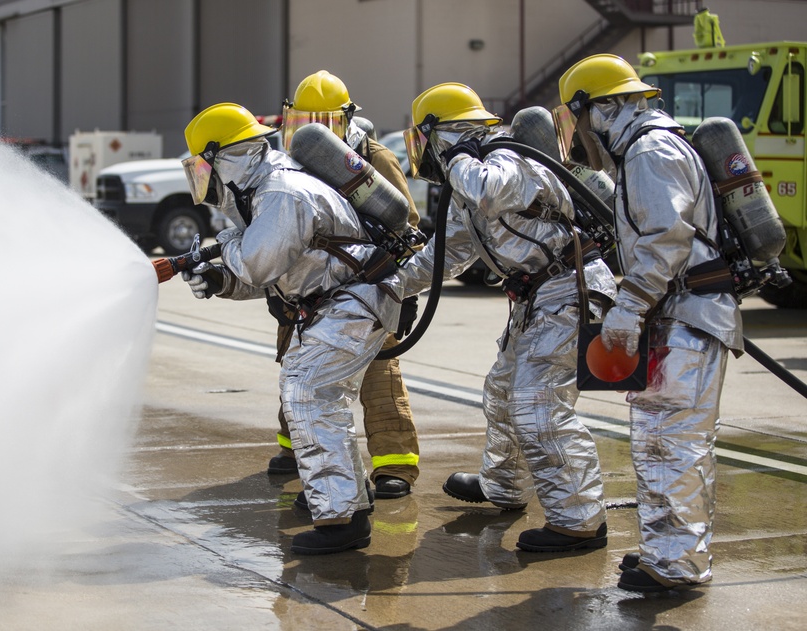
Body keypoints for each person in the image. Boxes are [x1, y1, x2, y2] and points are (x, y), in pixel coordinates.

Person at [398, 82, 618, 553]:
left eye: (425, 141)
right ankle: (503, 485)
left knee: (537, 404)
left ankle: (580, 521)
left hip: (571, 290)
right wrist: (381, 286)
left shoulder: (506, 161)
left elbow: (488, 191)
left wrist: (456, 154)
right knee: (501, 392)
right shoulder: (468, 187)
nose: (425, 154)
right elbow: (444, 257)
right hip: (538, 298)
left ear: (441, 135)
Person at [179, 102, 404, 554]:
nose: (203, 179)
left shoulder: (281, 193)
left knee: (307, 391)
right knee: (320, 398)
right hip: (344, 304)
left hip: (352, 304)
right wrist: (222, 280)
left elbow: (259, 264)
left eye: (203, 166)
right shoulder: (265, 191)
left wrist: (223, 247)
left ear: (225, 157)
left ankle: (343, 519)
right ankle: (348, 504)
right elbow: (280, 276)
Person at [554, 53, 743, 592]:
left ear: (606, 108)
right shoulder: (649, 146)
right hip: (678, 316)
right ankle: (667, 552)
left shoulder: (650, 149)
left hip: (686, 315)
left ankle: (678, 565)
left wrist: (629, 307)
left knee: (673, 444)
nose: (581, 130)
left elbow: (666, 238)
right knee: (660, 440)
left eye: (580, 115)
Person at [268, 70, 422, 501]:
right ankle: (294, 449)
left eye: (325, 122)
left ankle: (395, 465)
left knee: (380, 376)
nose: (314, 133)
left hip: (364, 288)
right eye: (303, 123)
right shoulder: (290, 162)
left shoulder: (373, 159)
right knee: (296, 370)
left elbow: (406, 227)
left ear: (347, 119)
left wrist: (401, 291)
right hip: (305, 287)